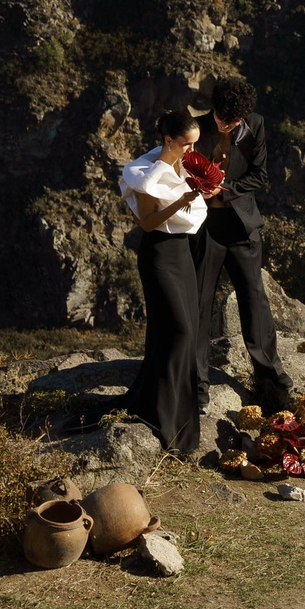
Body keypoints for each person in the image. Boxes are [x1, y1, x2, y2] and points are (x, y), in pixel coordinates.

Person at [119, 106, 210, 457]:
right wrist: (181, 202)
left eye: (195, 144)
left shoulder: (183, 165)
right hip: (158, 255)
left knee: (180, 329)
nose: (192, 150)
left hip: (182, 253)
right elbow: (147, 223)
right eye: (186, 144)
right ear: (169, 140)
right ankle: (161, 413)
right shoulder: (146, 173)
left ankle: (178, 415)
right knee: (178, 331)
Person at [196, 77, 277, 376]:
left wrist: (224, 189)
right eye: (221, 118)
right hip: (205, 226)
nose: (226, 125)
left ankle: (270, 376)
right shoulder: (196, 127)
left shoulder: (255, 124)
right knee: (199, 302)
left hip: (242, 224)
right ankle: (196, 379)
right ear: (213, 108)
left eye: (233, 121)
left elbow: (259, 174)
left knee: (255, 300)